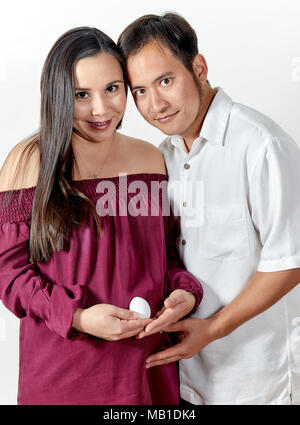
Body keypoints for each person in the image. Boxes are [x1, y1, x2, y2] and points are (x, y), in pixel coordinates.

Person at [0, 26, 203, 405]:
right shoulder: (28, 163)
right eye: (81, 95)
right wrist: (77, 317)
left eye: (112, 88)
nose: (101, 109)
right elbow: (8, 273)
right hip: (62, 374)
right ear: (58, 96)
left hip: (148, 369)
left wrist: (183, 292)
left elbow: (168, 256)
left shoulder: (150, 159)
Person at [117, 12, 300, 405]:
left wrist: (213, 329)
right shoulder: (162, 158)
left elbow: (290, 263)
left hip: (257, 382)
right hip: (187, 379)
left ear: (198, 68)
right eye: (140, 91)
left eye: (165, 81)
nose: (155, 104)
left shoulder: (260, 145)